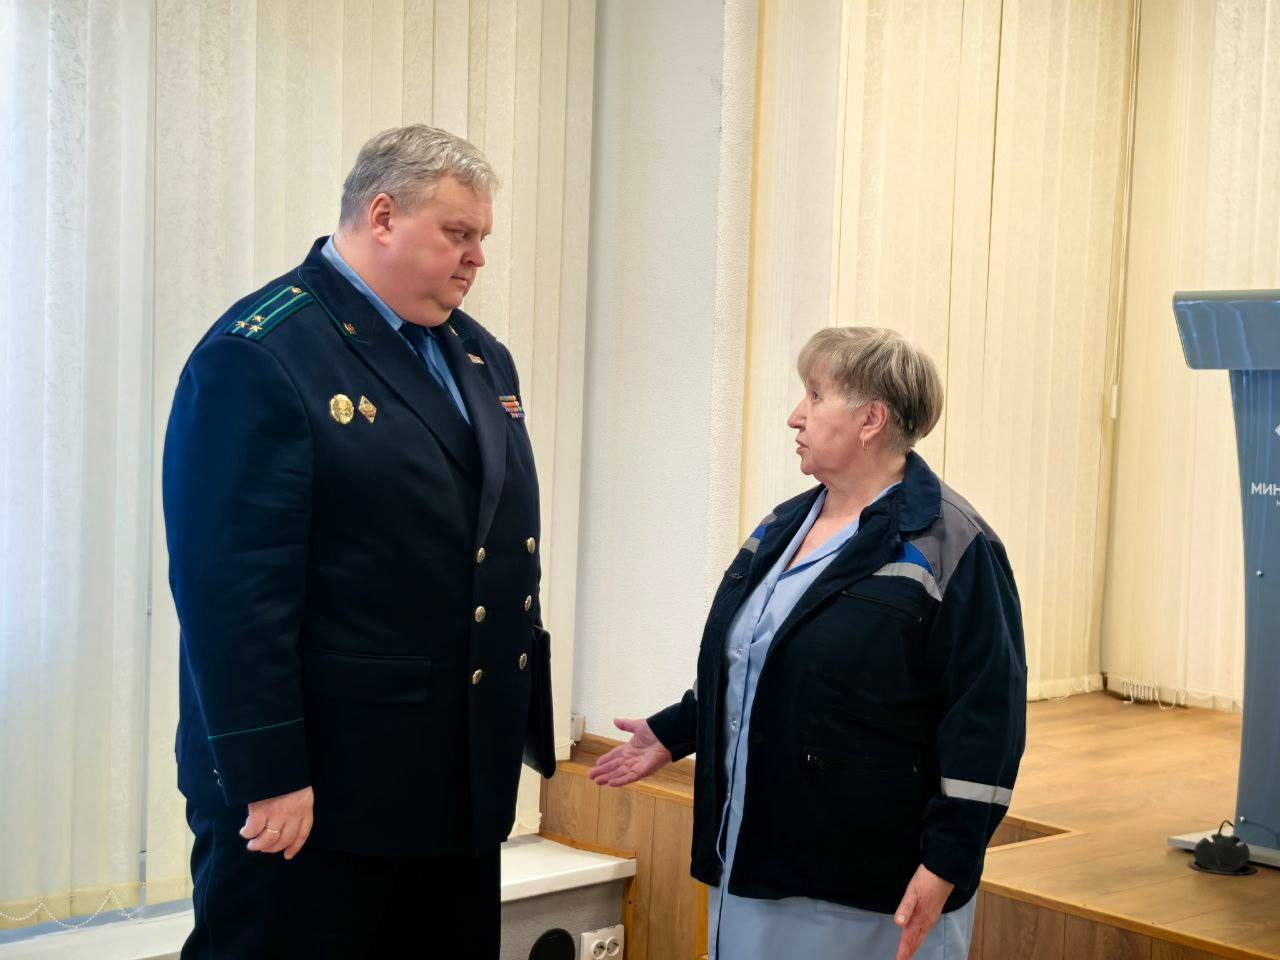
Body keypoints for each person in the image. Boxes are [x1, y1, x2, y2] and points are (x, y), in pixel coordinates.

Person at [163, 124, 553, 959]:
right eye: (458, 233)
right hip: (316, 796)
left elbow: (491, 551)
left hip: (452, 781)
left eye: (481, 237)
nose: (477, 259)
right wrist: (269, 776)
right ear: (381, 217)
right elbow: (232, 596)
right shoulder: (264, 354)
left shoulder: (478, 356)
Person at [589, 327, 1026, 960]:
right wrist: (678, 729)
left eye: (815, 396)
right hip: (755, 853)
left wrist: (949, 861)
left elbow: (988, 719)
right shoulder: (782, 526)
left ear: (871, 419)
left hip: (866, 885)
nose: (796, 415)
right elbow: (763, 659)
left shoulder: (955, 546)